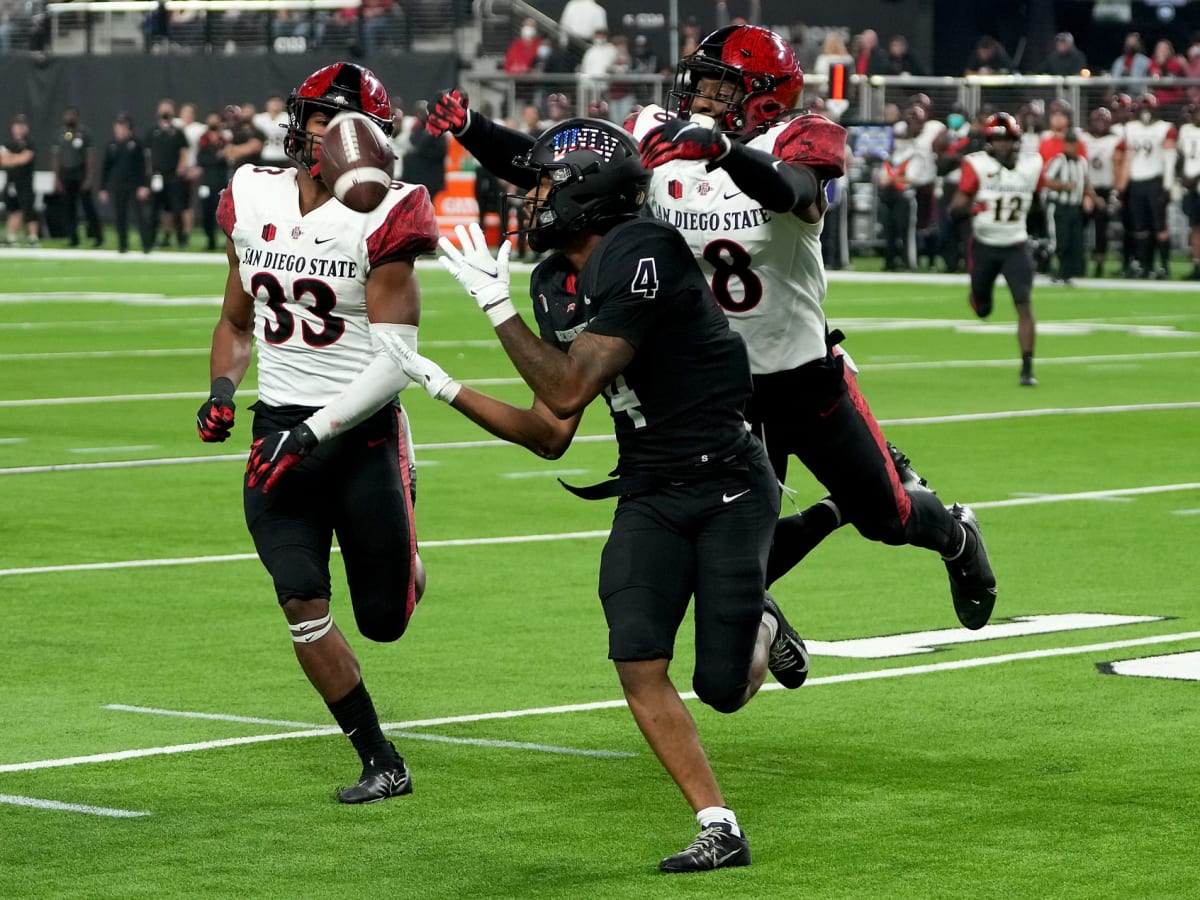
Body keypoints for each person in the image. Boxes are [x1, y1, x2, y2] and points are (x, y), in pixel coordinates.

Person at [421, 24, 997, 633]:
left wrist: (721, 151)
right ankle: (767, 620)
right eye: (699, 83)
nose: (698, 96)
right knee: (735, 553)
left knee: (891, 519)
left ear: (763, 96)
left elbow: (792, 187)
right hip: (718, 392)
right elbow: (565, 172)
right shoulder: (658, 136)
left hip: (803, 377)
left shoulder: (798, 139)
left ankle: (960, 538)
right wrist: (473, 129)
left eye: (719, 85)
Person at [379, 117, 806, 872]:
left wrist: (494, 312)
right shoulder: (553, 281)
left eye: (546, 181)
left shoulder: (647, 250)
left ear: (587, 193)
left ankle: (765, 624)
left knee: (723, 688)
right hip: (649, 487)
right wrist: (441, 384)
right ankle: (719, 824)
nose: (533, 194)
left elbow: (573, 380)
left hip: (729, 483)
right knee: (637, 658)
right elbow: (553, 430)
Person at [198, 61, 439, 805]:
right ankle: (380, 759)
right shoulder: (251, 192)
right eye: (317, 117)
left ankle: (408, 556)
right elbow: (238, 322)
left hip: (359, 431)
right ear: (297, 122)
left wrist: (314, 432)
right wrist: (222, 388)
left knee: (385, 620)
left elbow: (398, 363)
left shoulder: (386, 211)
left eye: (342, 122)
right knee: (301, 601)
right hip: (278, 432)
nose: (325, 133)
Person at [950, 112, 1045, 386]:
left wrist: (1041, 235)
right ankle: (977, 297)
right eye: (997, 139)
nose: (1002, 145)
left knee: (1024, 306)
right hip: (984, 246)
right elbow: (955, 209)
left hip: (1016, 244)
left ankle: (1027, 368)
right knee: (983, 309)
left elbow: (1037, 203)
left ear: (1016, 140)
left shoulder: (1032, 164)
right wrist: (972, 208)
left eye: (1007, 139)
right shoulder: (977, 164)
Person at [1118, 94, 1177, 279]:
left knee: (1160, 227)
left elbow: (1169, 160)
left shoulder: (1165, 128)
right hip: (1136, 182)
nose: (1145, 113)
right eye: (1142, 109)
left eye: (1148, 109)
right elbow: (1127, 159)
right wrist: (1121, 186)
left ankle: (1164, 266)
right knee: (1140, 228)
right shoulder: (1130, 128)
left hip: (1155, 181)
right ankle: (1145, 265)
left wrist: (1167, 185)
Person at [1043, 130, 1097, 285]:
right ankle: (1057, 271)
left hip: (1075, 207)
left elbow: (1086, 184)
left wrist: (1094, 198)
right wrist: (1064, 186)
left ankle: (1068, 273)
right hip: (1060, 207)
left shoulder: (1082, 162)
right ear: (1065, 144)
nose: (1071, 146)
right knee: (1061, 241)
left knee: (1075, 241)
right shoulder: (1058, 161)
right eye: (1069, 143)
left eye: (1074, 143)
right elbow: (1046, 181)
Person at [1079, 106, 1124, 278]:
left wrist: (1115, 190)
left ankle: (1099, 264)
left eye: (1103, 121)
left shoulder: (1115, 139)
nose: (1100, 124)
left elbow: (1119, 164)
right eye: (1097, 120)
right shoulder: (1083, 138)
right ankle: (1080, 261)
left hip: (1106, 188)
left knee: (1101, 230)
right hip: (1086, 188)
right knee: (1079, 228)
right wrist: (1086, 193)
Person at [98, 113, 153, 254]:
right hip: (118, 186)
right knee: (119, 216)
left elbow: (144, 167)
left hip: (135, 186)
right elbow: (106, 168)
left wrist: (144, 185)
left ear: (129, 129)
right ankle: (123, 245)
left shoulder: (137, 144)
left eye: (123, 127)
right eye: (118, 127)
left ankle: (146, 245)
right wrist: (103, 188)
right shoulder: (112, 145)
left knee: (139, 216)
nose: (120, 130)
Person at [52, 105, 103, 248]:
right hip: (66, 174)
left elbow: (90, 156)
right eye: (66, 115)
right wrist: (56, 178)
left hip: (80, 173)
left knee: (88, 207)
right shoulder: (60, 134)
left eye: (71, 115)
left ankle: (98, 237)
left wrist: (89, 177)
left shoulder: (84, 133)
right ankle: (73, 238)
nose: (69, 117)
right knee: (69, 208)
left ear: (77, 117)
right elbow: (56, 156)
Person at [145, 99, 189, 249]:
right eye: (163, 109)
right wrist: (150, 171)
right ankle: (151, 240)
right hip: (157, 176)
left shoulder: (178, 132)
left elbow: (184, 151)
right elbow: (148, 153)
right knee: (155, 209)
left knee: (176, 208)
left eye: (168, 110)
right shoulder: (153, 131)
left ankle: (181, 240)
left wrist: (181, 168)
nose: (165, 113)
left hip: (173, 175)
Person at [1, 114, 38, 247]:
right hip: (11, 181)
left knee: (28, 209)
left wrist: (12, 157)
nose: (19, 129)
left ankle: (33, 237)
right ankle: (12, 237)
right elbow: (3, 161)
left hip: (25, 182)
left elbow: (25, 159)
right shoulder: (8, 142)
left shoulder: (29, 142)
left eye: (22, 126)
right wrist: (15, 157)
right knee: (13, 209)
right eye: (17, 126)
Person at [194, 110, 228, 251]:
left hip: (220, 181)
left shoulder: (225, 141)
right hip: (207, 182)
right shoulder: (203, 141)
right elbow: (201, 160)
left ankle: (225, 241)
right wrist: (217, 157)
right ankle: (210, 239)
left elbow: (227, 160)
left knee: (222, 213)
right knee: (207, 211)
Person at [1178, 103, 1200, 280]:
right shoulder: (1185, 130)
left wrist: (1196, 176)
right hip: (1191, 186)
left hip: (1196, 181)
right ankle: (1196, 263)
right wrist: (1183, 177)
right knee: (1194, 227)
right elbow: (1181, 156)